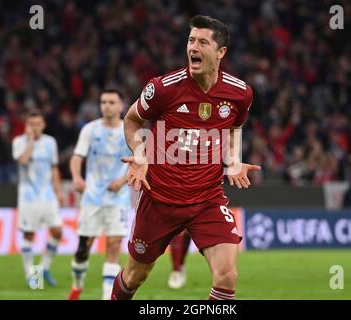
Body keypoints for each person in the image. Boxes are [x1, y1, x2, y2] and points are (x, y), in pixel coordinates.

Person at [111, 15, 260, 300]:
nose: (194, 47)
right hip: (159, 198)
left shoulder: (240, 94)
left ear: (221, 52)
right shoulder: (164, 88)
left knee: (227, 275)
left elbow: (234, 127)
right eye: (191, 40)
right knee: (134, 276)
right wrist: (141, 154)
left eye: (203, 42)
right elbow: (131, 120)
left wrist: (233, 159)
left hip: (207, 199)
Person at [68, 89, 131, 300]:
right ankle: (77, 284)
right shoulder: (90, 129)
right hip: (92, 198)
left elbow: (139, 162)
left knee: (113, 246)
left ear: (122, 106)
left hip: (119, 198)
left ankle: (106, 297)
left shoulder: (129, 130)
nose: (106, 106)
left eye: (112, 102)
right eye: (103, 102)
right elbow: (77, 157)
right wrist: (77, 177)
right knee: (83, 248)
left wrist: (122, 181)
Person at [12, 109, 63, 287]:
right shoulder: (19, 142)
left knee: (57, 231)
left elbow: (54, 167)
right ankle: (32, 276)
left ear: (43, 125)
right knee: (29, 234)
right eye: (31, 124)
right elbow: (23, 161)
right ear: (27, 126)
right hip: (28, 196)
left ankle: (44, 267)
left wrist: (58, 190)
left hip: (47, 194)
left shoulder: (50, 142)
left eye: (38, 124)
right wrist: (30, 142)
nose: (34, 128)